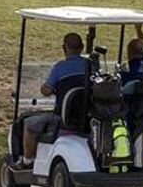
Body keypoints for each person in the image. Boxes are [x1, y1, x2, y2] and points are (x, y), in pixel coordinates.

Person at [20, 33, 91, 164]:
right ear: (82, 47)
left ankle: (27, 161)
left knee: (29, 123)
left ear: (64, 48)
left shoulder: (60, 68)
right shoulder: (91, 66)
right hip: (88, 116)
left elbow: (46, 90)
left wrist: (49, 88)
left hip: (63, 117)